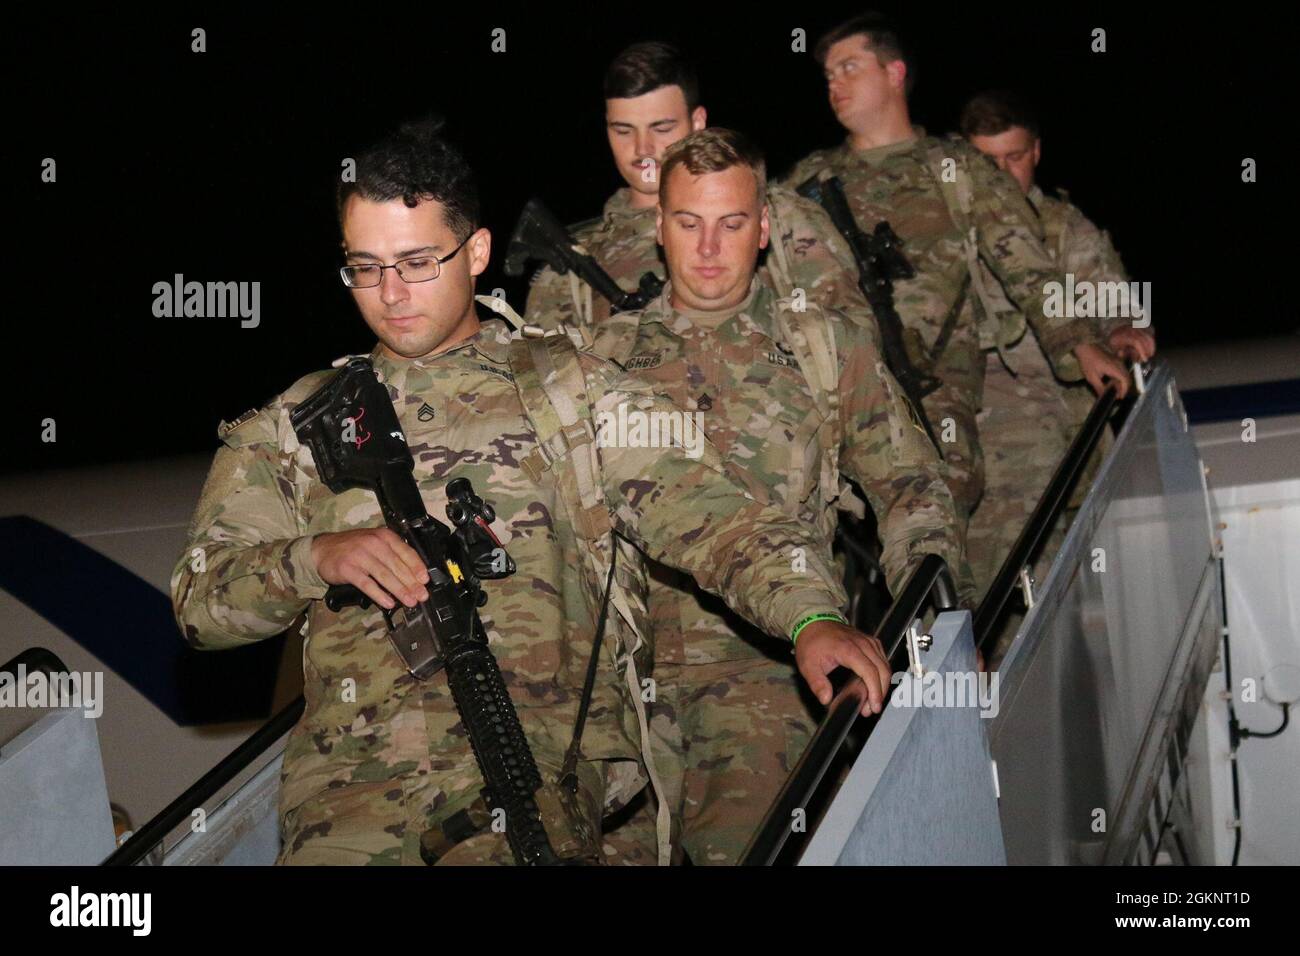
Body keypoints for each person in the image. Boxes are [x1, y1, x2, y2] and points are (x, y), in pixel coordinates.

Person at [170, 117, 894, 866]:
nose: (390, 293)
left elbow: (717, 517)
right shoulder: (295, 424)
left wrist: (809, 616)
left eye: (417, 262)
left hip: (520, 806)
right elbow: (199, 603)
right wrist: (313, 557)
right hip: (341, 818)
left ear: (476, 251)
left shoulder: (571, 391)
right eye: (365, 266)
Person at [592, 127, 971, 864]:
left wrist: (938, 617)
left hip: (772, 673)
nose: (708, 248)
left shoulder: (823, 349)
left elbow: (911, 484)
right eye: (688, 223)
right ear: (658, 227)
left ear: (764, 228)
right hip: (623, 695)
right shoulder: (599, 362)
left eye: (731, 224)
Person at [784, 13, 1131, 543]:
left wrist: (1082, 344)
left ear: (894, 73)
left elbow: (1026, 267)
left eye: (849, 67)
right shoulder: (808, 181)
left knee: (944, 523)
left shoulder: (956, 168)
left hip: (938, 391)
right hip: (843, 398)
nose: (835, 84)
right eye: (829, 74)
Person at [958, 89, 1156, 617]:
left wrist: (1121, 331)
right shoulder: (945, 237)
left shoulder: (1061, 228)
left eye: (1014, 158)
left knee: (1071, 611)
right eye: (987, 163)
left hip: (1060, 456)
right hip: (969, 462)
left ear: (1037, 153)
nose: (1001, 175)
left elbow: (1113, 300)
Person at [524, 41, 866, 334]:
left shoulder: (779, 217)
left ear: (697, 122)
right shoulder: (572, 261)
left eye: (661, 127)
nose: (643, 148)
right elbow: (543, 385)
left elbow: (852, 345)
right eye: (624, 130)